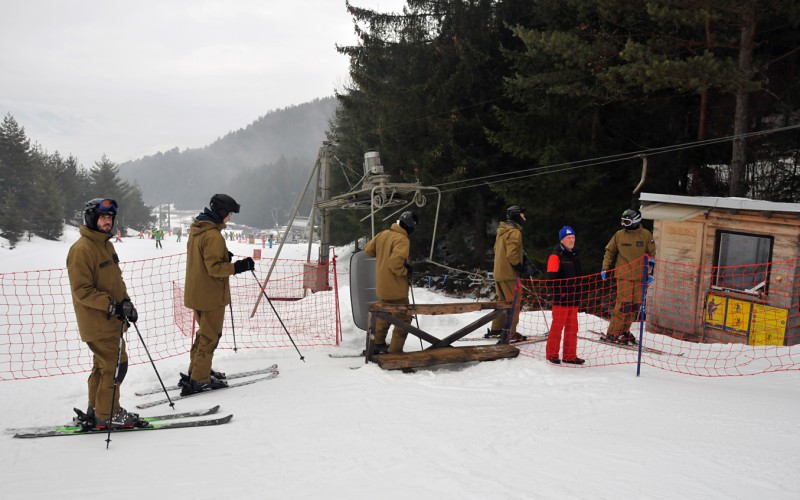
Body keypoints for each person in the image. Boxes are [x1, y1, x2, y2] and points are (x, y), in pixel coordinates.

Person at [66, 198, 146, 429]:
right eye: (102, 217)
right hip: (97, 321)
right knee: (116, 365)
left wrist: (126, 302)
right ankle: (108, 413)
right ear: (91, 218)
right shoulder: (82, 250)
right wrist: (113, 306)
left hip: (111, 319)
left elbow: (114, 281)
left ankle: (96, 408)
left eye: (110, 217)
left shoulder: (105, 245)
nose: (107, 221)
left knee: (103, 367)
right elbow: (82, 290)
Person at [181, 194, 255, 395]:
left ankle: (196, 370)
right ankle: (199, 379)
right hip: (210, 295)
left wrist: (225, 256)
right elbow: (214, 268)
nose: (230, 218)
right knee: (210, 336)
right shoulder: (213, 235)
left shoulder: (199, 230)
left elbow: (205, 259)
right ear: (221, 212)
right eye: (229, 214)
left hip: (197, 292)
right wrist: (238, 266)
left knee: (204, 333)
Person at [364, 211, 418, 355]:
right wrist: (405, 271)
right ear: (410, 227)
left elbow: (368, 251)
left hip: (382, 287)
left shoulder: (383, 234)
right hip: (397, 289)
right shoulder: (402, 239)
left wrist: (382, 253)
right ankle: (395, 352)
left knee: (384, 314)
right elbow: (395, 264)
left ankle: (377, 344)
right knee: (403, 319)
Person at [601, 208, 657, 344]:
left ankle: (624, 331)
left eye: (627, 221)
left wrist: (650, 273)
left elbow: (652, 255)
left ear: (635, 220)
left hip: (639, 277)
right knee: (623, 305)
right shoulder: (619, 235)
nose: (624, 224)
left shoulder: (645, 235)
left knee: (634, 306)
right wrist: (605, 268)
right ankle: (613, 333)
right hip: (624, 275)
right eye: (623, 221)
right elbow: (609, 251)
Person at [485, 206, 532, 341]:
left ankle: (496, 329)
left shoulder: (502, 231)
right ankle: (510, 332)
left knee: (502, 302)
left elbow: (496, 249)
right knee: (514, 303)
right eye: (523, 216)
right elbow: (511, 254)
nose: (525, 218)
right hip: (509, 274)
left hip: (499, 273)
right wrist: (520, 267)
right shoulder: (515, 232)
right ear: (517, 216)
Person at [545, 226, 584, 364]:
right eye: (568, 238)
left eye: (573, 237)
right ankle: (552, 354)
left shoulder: (575, 256)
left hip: (574, 299)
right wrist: (559, 293)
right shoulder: (555, 256)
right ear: (562, 240)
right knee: (557, 328)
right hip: (561, 300)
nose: (571, 240)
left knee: (572, 329)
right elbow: (551, 279)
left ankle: (570, 356)